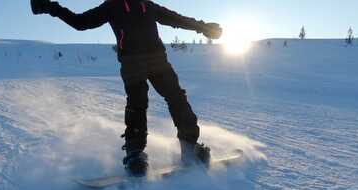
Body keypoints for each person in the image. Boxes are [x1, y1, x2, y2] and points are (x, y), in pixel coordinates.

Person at [31, 0, 223, 175]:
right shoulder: (111, 6)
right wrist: (52, 8)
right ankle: (135, 154)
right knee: (137, 104)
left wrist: (202, 27)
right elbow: (81, 23)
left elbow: (175, 19)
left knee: (177, 98)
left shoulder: (147, 5)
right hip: (132, 63)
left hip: (158, 61)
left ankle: (189, 147)